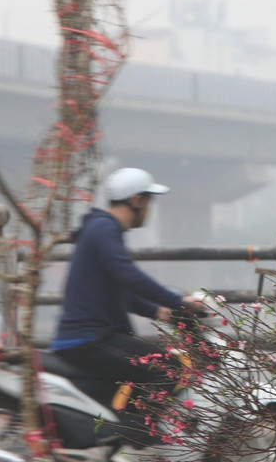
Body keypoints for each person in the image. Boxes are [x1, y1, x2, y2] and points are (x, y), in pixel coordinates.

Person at [51, 167, 206, 395]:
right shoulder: (104, 228)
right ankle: (141, 431)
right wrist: (178, 301)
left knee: (151, 370)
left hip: (94, 336)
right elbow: (129, 276)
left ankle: (132, 425)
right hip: (90, 340)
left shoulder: (100, 227)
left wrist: (158, 311)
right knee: (169, 369)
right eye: (149, 202)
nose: (149, 209)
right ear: (136, 200)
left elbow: (118, 288)